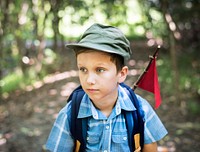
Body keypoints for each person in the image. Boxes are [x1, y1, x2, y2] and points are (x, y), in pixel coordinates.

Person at [45, 23, 168, 152]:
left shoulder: (141, 111)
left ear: (121, 74)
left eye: (100, 70)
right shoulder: (70, 115)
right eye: (83, 69)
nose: (89, 80)